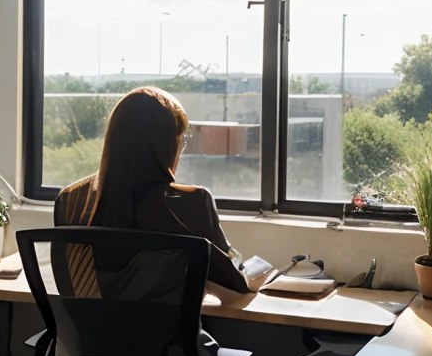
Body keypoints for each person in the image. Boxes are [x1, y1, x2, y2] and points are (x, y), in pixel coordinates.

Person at [54, 86, 275, 301]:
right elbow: (235, 285)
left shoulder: (70, 201)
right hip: (166, 338)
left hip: (86, 337)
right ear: (169, 144)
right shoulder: (191, 202)